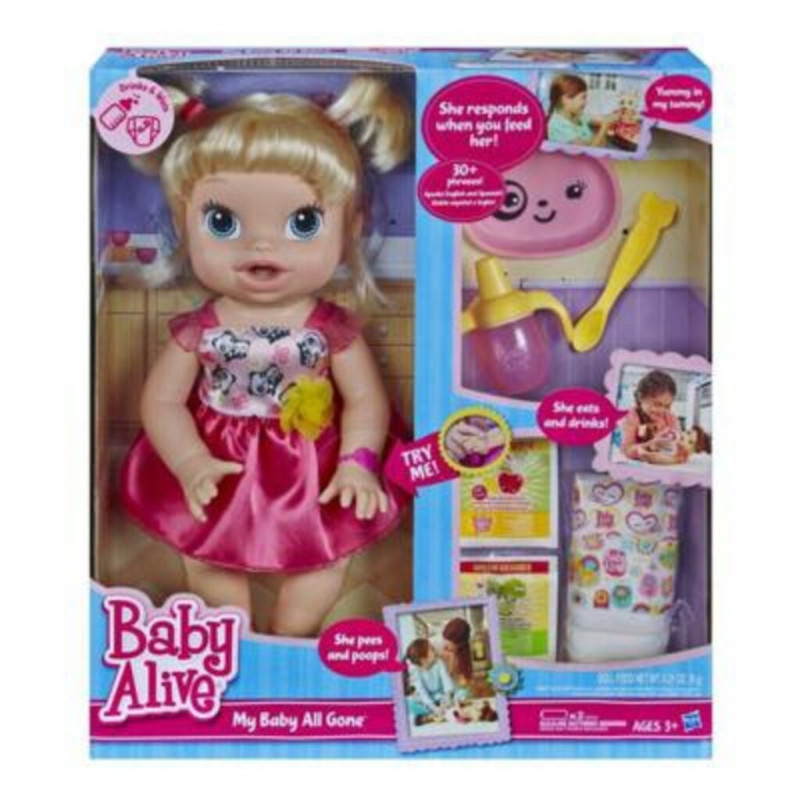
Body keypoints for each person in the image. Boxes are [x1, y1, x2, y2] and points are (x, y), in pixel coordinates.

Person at [120, 77, 413, 637]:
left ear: (351, 229)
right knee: (205, 554)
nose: (260, 244)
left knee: (328, 555)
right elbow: (161, 401)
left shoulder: (330, 326)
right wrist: (189, 461)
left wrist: (357, 461)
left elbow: (365, 401)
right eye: (222, 222)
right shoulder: (201, 328)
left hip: (313, 462)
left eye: (302, 223)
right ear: (183, 225)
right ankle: (235, 642)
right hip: (219, 457)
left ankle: (289, 641)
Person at [619, 370, 688, 465]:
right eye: (657, 404)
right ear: (641, 398)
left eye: (667, 406)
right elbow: (626, 450)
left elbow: (679, 442)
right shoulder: (632, 416)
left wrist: (680, 445)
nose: (662, 410)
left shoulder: (671, 417)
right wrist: (650, 445)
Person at [546, 74, 614, 147]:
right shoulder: (558, 125)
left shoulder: (576, 115)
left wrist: (609, 120)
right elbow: (589, 151)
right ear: (566, 99)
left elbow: (598, 121)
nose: (586, 102)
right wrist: (604, 127)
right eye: (583, 97)